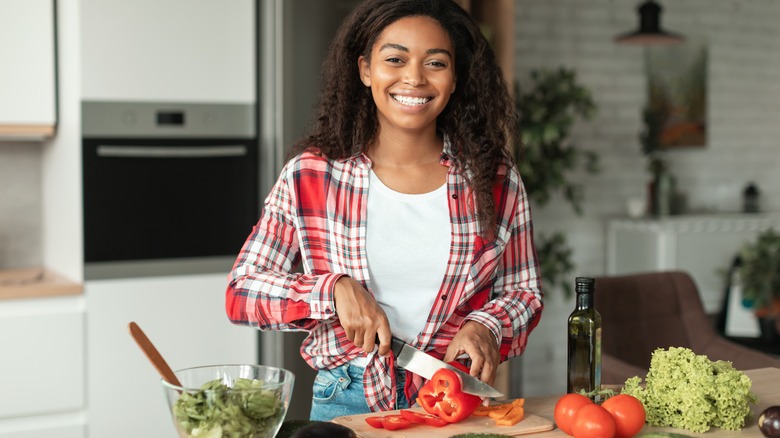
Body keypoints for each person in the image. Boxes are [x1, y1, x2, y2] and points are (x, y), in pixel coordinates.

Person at [225, 0, 543, 421]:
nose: (414, 77)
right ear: (365, 70)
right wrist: (332, 291)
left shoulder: (495, 181)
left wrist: (488, 324)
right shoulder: (311, 175)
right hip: (346, 398)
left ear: (455, 78)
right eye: (395, 59)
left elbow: (524, 291)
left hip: (453, 400)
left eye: (435, 62)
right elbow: (242, 292)